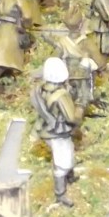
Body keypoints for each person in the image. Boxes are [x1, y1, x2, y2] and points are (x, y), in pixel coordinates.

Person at [30, 57, 84, 207]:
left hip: (46, 128)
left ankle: (70, 176)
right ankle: (60, 194)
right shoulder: (60, 95)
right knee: (62, 163)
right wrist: (80, 107)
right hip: (57, 132)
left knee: (69, 151)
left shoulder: (40, 89)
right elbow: (71, 117)